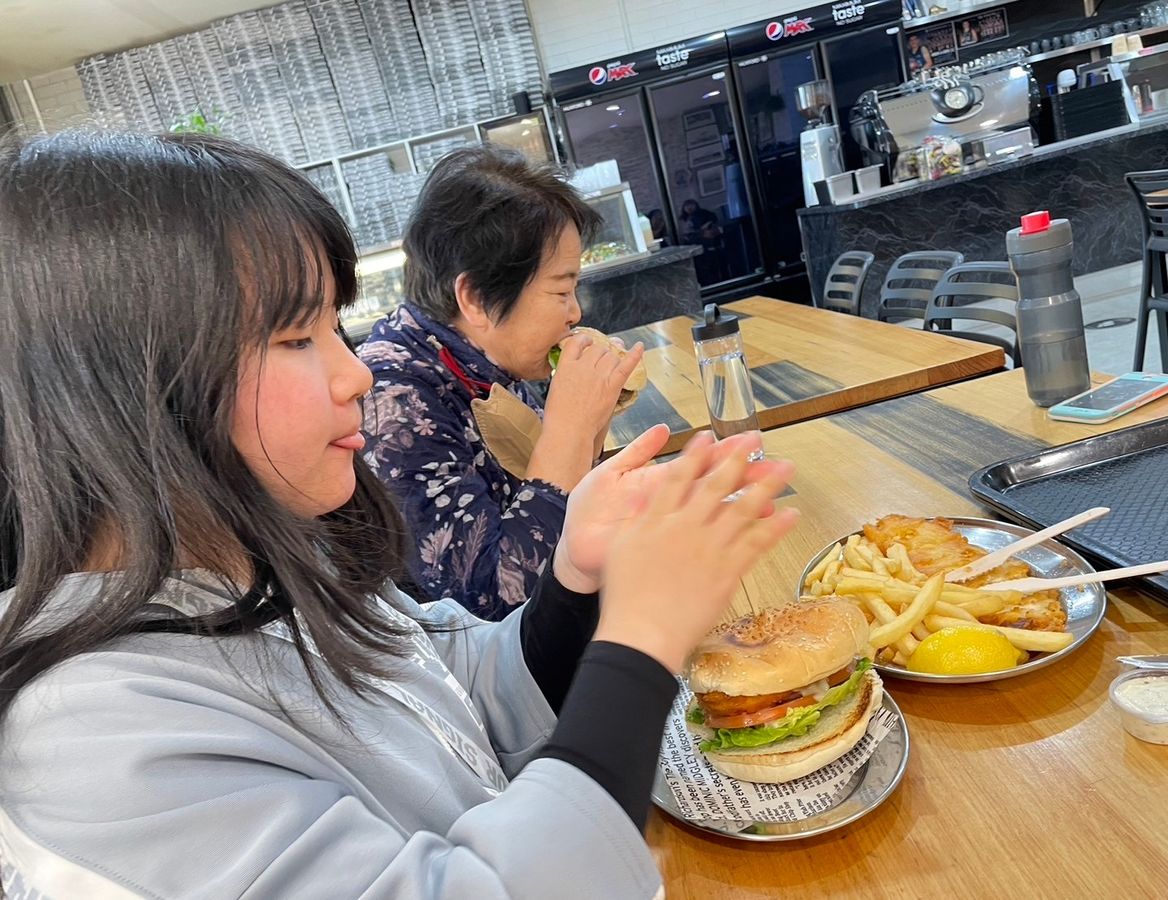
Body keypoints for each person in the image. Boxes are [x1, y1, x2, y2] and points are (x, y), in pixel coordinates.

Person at [0, 129, 799, 898]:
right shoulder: (92, 742)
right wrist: (643, 642)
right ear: (126, 392)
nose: (355, 374)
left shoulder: (264, 564)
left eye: (335, 327)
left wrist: (575, 577)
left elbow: (448, 686)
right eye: (296, 337)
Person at [359, 146, 642, 620]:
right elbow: (492, 603)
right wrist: (569, 429)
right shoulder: (394, 399)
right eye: (561, 290)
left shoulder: (483, 362)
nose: (575, 313)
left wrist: (591, 421)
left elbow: (561, 509)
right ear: (474, 297)